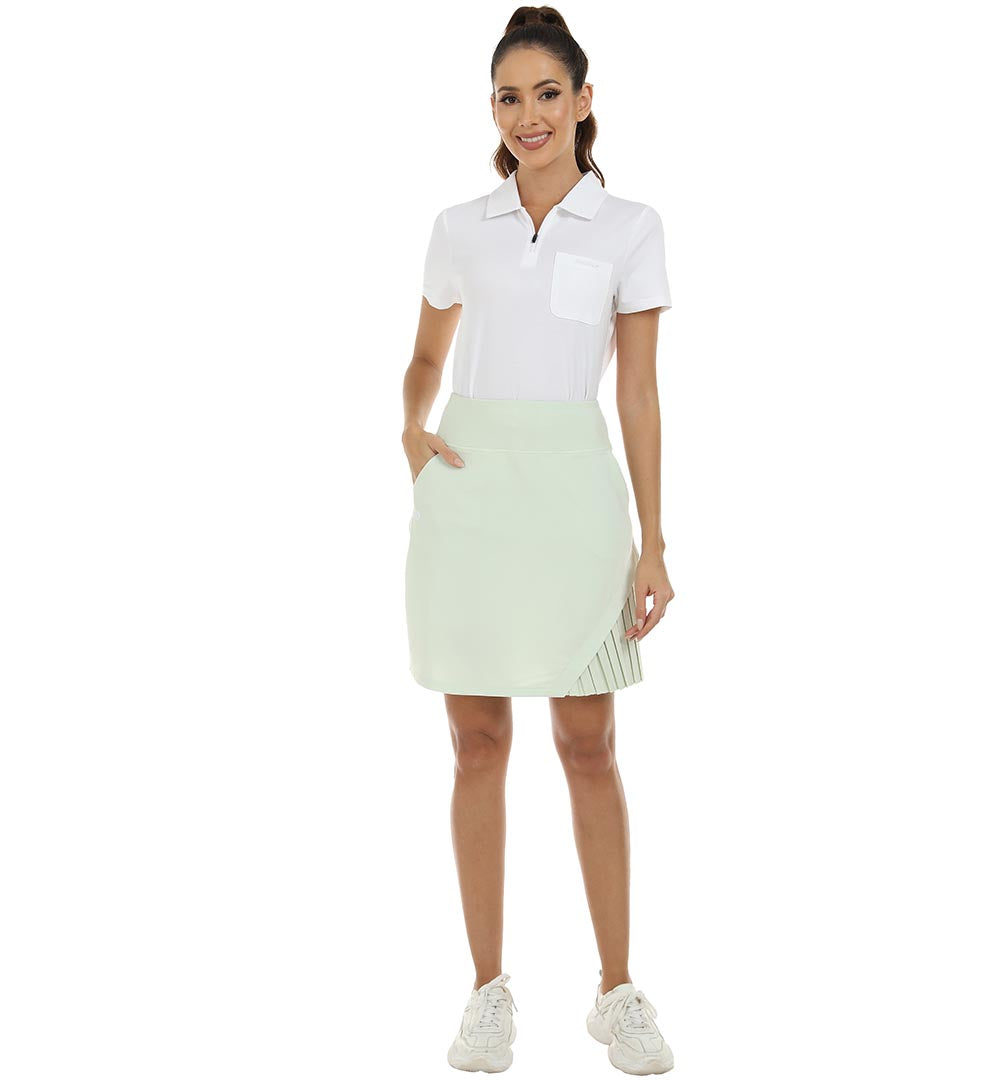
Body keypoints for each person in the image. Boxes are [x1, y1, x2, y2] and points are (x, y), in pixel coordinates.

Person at [401, 8, 675, 1074]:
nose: (530, 115)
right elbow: (427, 357)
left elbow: (639, 393)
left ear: (584, 100)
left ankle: (617, 990)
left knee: (588, 743)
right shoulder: (459, 226)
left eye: (548, 93)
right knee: (476, 744)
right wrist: (412, 429)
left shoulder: (630, 227)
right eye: (510, 97)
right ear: (493, 109)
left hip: (572, 503)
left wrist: (654, 543)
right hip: (470, 500)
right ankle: (487, 991)